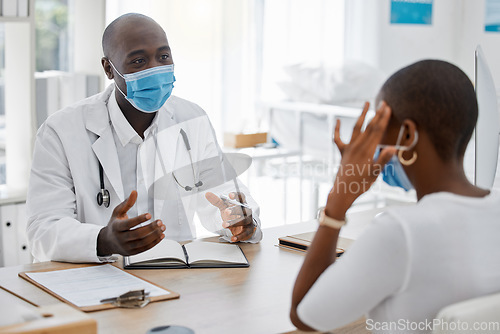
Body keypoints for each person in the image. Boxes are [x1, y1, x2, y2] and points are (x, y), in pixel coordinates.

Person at [26, 13, 262, 263]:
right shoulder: (61, 131)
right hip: (95, 279)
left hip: (176, 278)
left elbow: (221, 195)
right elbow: (42, 229)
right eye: (138, 61)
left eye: (163, 57)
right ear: (109, 68)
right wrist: (103, 240)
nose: (155, 69)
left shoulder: (191, 119)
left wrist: (237, 219)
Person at [290, 60, 500, 333]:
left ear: (408, 134)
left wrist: (338, 200)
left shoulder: (400, 231)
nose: (374, 139)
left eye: (380, 123)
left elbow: (305, 316)